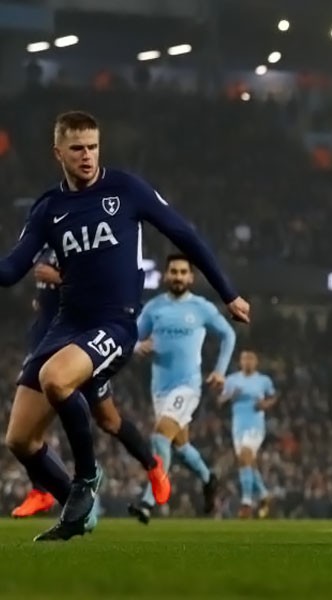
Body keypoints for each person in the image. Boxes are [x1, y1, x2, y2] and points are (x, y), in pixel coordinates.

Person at [0, 110, 250, 541]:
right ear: (57, 152)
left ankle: (86, 477)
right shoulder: (49, 209)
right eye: (77, 148)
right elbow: (10, 270)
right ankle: (81, 510)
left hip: (114, 322)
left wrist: (228, 292)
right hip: (67, 324)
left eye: (93, 146)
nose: (87, 156)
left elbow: (184, 234)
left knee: (57, 382)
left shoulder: (125, 189)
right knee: (20, 440)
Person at [11, 250, 170, 518]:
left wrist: (59, 279)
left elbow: (105, 290)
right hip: (46, 342)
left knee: (109, 420)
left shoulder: (86, 241)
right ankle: (42, 490)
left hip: (82, 344)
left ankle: (152, 465)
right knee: (26, 428)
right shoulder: (44, 237)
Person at [128, 253, 236, 524]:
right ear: (166, 276)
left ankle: (149, 500)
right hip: (159, 388)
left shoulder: (201, 308)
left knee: (160, 437)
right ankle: (209, 479)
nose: (177, 276)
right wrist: (137, 346)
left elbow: (228, 334)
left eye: (182, 272)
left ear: (191, 277)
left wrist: (220, 371)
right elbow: (130, 337)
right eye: (173, 272)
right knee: (180, 445)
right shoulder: (154, 308)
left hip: (188, 386)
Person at [220, 351, 277, 518]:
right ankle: (264, 495)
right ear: (240, 362)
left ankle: (246, 503)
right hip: (238, 426)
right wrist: (231, 395)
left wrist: (265, 404)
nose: (247, 362)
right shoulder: (231, 380)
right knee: (247, 462)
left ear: (256, 362)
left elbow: (273, 397)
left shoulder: (263, 380)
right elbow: (220, 401)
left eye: (251, 359)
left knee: (246, 455)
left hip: (255, 425)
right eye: (244, 359)